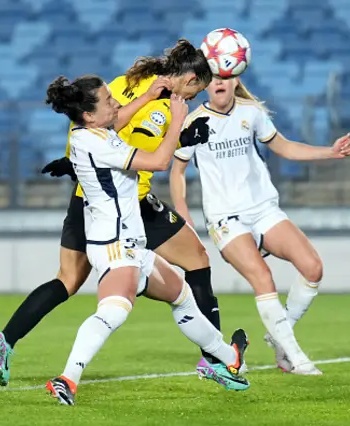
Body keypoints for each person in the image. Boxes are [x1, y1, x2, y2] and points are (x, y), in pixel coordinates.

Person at [0, 40, 227, 387]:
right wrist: (178, 125)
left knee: (71, 279)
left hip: (108, 199)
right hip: (121, 205)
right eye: (194, 92)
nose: (191, 101)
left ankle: (4, 341)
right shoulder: (148, 96)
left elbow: (112, 131)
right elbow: (118, 136)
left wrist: (183, 133)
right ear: (189, 79)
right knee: (189, 265)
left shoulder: (144, 89)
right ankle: (217, 361)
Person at [42, 75, 250, 405]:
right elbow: (159, 162)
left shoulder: (92, 132)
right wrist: (177, 122)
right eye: (108, 100)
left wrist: (148, 95)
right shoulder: (99, 142)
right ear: (89, 116)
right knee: (114, 310)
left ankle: (229, 359)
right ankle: (67, 378)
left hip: (131, 244)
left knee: (180, 294)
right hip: (115, 245)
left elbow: (119, 118)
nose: (116, 103)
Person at [170, 76, 350, 376]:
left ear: (236, 79)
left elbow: (285, 147)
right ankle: (296, 358)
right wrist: (183, 212)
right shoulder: (193, 122)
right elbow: (177, 171)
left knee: (312, 267)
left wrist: (329, 152)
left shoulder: (251, 112)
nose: (220, 82)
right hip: (225, 217)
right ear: (205, 82)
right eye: (214, 76)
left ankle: (280, 338)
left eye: (226, 77)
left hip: (263, 209)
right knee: (263, 277)